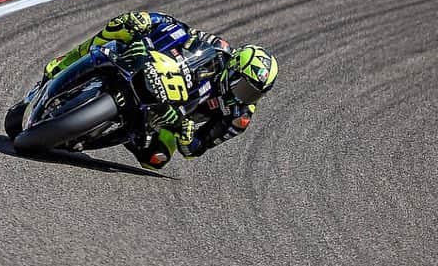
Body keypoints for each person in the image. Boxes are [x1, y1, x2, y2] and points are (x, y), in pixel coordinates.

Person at [42, 11, 278, 170]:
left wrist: (187, 138)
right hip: (164, 74)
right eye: (245, 87)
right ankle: (66, 62)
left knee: (156, 159)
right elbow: (179, 31)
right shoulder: (218, 50)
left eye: (254, 93)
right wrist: (148, 23)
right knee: (125, 25)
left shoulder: (240, 116)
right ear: (234, 68)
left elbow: (197, 148)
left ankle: (110, 132)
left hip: (173, 118)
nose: (245, 96)